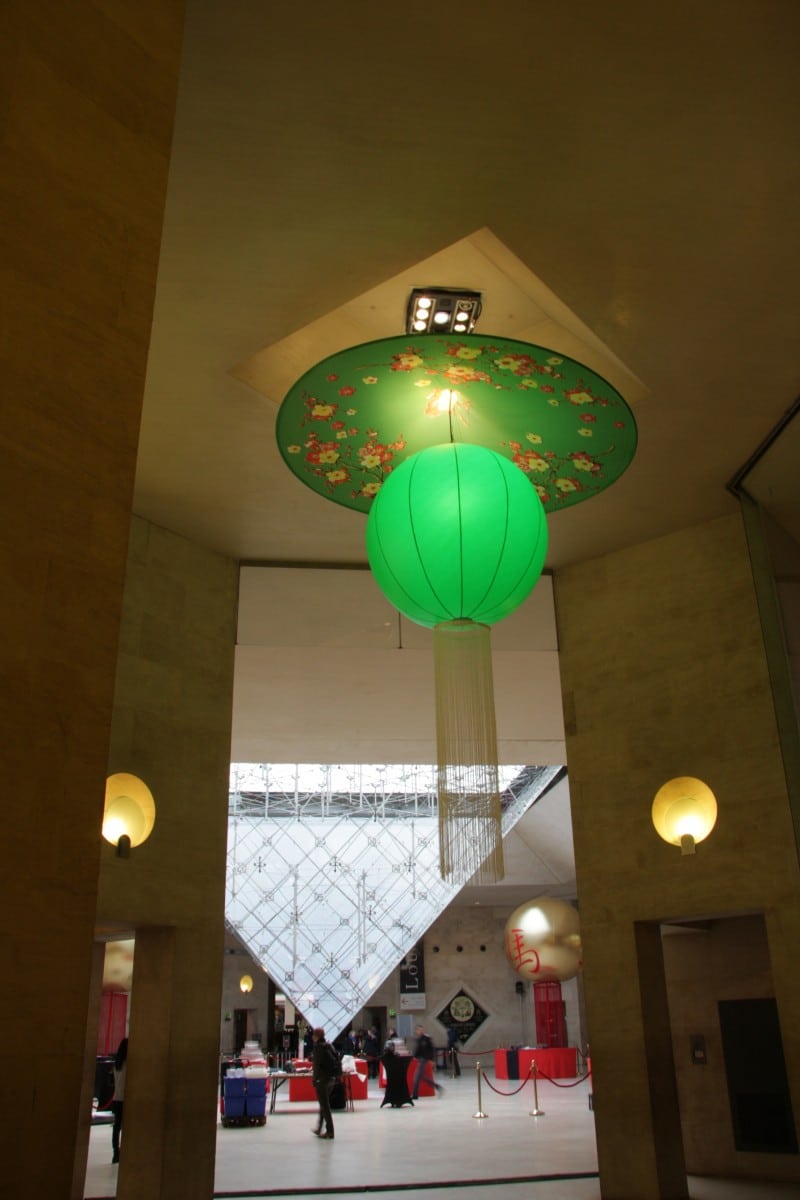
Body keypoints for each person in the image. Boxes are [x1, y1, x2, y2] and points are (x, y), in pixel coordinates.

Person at [310, 1027, 338, 1139]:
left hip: (322, 1080)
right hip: (331, 1078)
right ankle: (319, 1127)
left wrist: (314, 1079)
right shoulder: (329, 1046)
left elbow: (316, 1066)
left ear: (316, 1036)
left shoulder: (318, 1048)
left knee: (325, 1106)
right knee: (324, 1104)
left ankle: (330, 1131)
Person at [411, 1024, 443, 1098]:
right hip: (420, 1059)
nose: (420, 1031)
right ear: (417, 1031)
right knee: (421, 1076)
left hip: (424, 1059)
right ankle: (438, 1087)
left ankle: (415, 1095)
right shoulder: (418, 1039)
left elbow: (431, 1049)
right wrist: (414, 1057)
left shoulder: (427, 1038)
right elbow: (417, 1050)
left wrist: (432, 1060)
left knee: (416, 1077)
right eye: (419, 1030)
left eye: (421, 1030)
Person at [379, 1040, 414, 1108]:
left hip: (391, 1081)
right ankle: (400, 1099)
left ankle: (392, 1100)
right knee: (399, 1082)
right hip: (400, 1080)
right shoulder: (398, 1058)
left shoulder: (384, 1058)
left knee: (393, 1083)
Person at [111, 1037, 128, 1164]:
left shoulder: (117, 1064)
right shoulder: (128, 1064)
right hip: (125, 1099)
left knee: (117, 1126)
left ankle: (116, 1152)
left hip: (117, 1098)